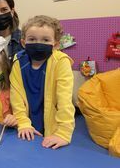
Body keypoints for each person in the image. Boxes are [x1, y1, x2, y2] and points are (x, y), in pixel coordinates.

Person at [10, 15, 75, 149]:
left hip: (52, 128)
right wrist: (23, 123)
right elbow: (16, 97)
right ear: (23, 42)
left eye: (45, 40)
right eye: (32, 39)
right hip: (26, 126)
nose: (38, 44)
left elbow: (65, 100)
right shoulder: (18, 61)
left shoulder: (61, 62)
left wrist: (63, 133)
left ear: (55, 44)